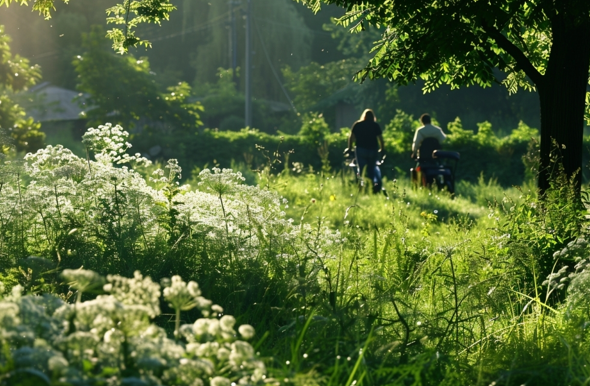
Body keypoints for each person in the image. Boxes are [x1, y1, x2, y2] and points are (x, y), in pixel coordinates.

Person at [347, 109, 385, 191]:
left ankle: (362, 187)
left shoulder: (357, 124)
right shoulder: (375, 125)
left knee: (361, 169)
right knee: (372, 168)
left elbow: (351, 137)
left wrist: (349, 148)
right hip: (373, 149)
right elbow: (381, 139)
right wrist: (382, 149)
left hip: (360, 149)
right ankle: (373, 187)